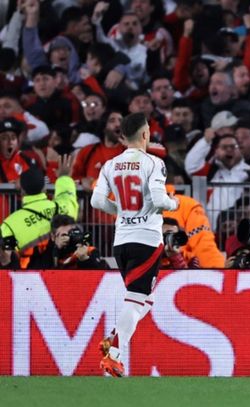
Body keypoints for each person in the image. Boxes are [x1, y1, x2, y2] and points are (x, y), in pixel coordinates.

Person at [91, 112, 179, 377]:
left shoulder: (109, 165)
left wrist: (121, 210)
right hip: (147, 240)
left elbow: (96, 201)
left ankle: (114, 337)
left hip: (122, 241)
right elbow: (159, 199)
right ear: (145, 134)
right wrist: (174, 203)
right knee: (137, 298)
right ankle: (114, 355)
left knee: (145, 299)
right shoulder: (154, 163)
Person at [0, 155, 78, 269]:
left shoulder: (10, 224)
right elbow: (66, 193)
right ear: (44, 189)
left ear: (22, 191)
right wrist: (64, 177)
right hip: (64, 273)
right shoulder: (63, 208)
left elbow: (7, 258)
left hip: (30, 281)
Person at [28, 214, 106, 269]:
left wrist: (85, 259)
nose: (68, 237)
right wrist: (55, 249)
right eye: (64, 235)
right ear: (53, 237)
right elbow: (35, 275)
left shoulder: (88, 251)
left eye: (71, 233)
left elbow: (103, 277)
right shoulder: (41, 250)